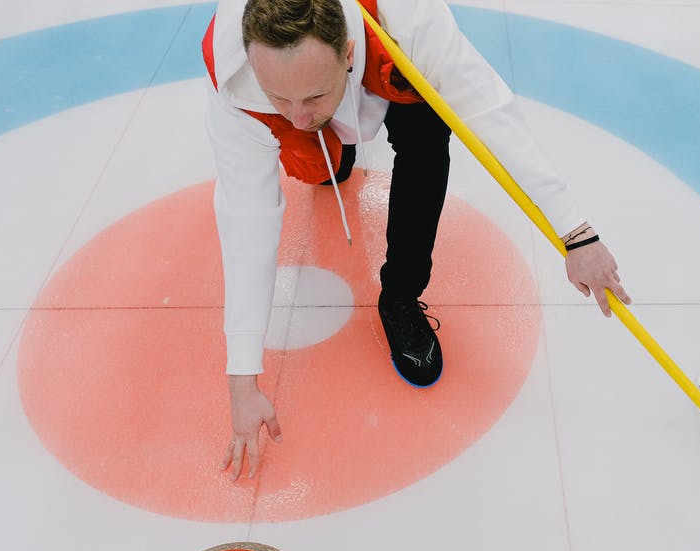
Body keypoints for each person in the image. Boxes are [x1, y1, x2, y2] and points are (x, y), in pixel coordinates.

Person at [204, 0, 630, 480]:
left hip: (392, 69)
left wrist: (576, 234)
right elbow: (246, 219)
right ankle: (331, 152)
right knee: (315, 158)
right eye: (280, 98)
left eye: (314, 96)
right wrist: (242, 378)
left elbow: (487, 108)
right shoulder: (234, 75)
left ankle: (401, 297)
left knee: (428, 134)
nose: (297, 117)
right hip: (314, 91)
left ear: (347, 52)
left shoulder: (411, 18)